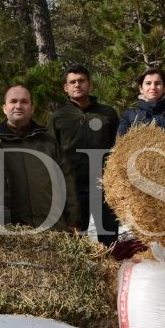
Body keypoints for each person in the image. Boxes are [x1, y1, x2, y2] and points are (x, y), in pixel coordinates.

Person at [47, 64, 120, 246]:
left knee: (110, 241)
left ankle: (112, 273)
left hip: (105, 188)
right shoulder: (58, 117)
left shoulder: (108, 114)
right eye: (72, 82)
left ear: (90, 84)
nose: (77, 85)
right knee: (74, 242)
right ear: (66, 87)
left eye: (81, 81)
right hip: (72, 190)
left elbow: (118, 149)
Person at [0, 85, 69, 231]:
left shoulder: (48, 140)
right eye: (13, 101)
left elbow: (67, 180)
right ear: (4, 108)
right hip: (13, 232)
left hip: (52, 228)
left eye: (24, 102)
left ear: (32, 108)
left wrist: (73, 219)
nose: (18, 106)